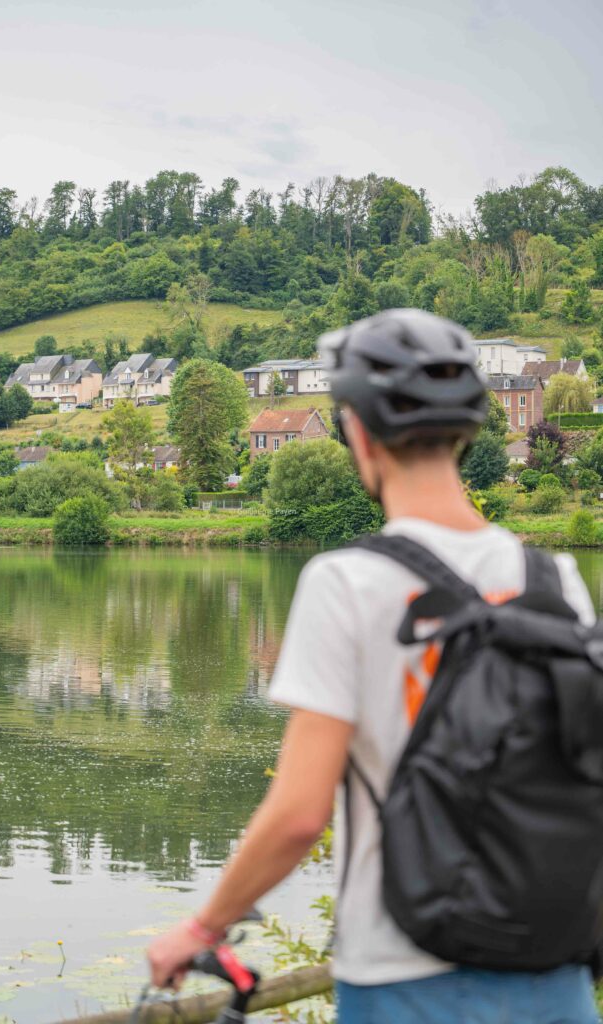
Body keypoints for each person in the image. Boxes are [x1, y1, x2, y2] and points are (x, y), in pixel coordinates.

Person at [148, 309, 600, 1023]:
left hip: (403, 974)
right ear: (471, 429)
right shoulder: (556, 579)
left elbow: (299, 813)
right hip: (554, 969)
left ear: (355, 430)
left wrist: (201, 929)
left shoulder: (347, 582)